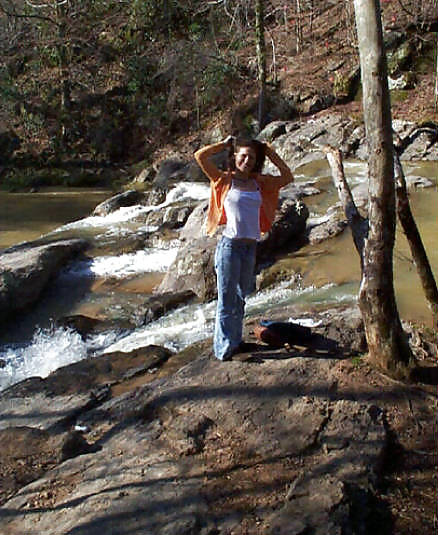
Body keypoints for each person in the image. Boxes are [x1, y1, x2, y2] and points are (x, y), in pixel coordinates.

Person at [195, 136, 294, 361]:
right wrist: (223, 145)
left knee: (240, 298)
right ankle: (224, 350)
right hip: (230, 246)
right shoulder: (223, 180)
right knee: (227, 300)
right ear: (235, 157)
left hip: (250, 248)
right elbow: (200, 157)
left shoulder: (260, 182)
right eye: (243, 156)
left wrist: (269, 152)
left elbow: (287, 177)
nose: (247, 160)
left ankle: (236, 341)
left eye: (252, 157)